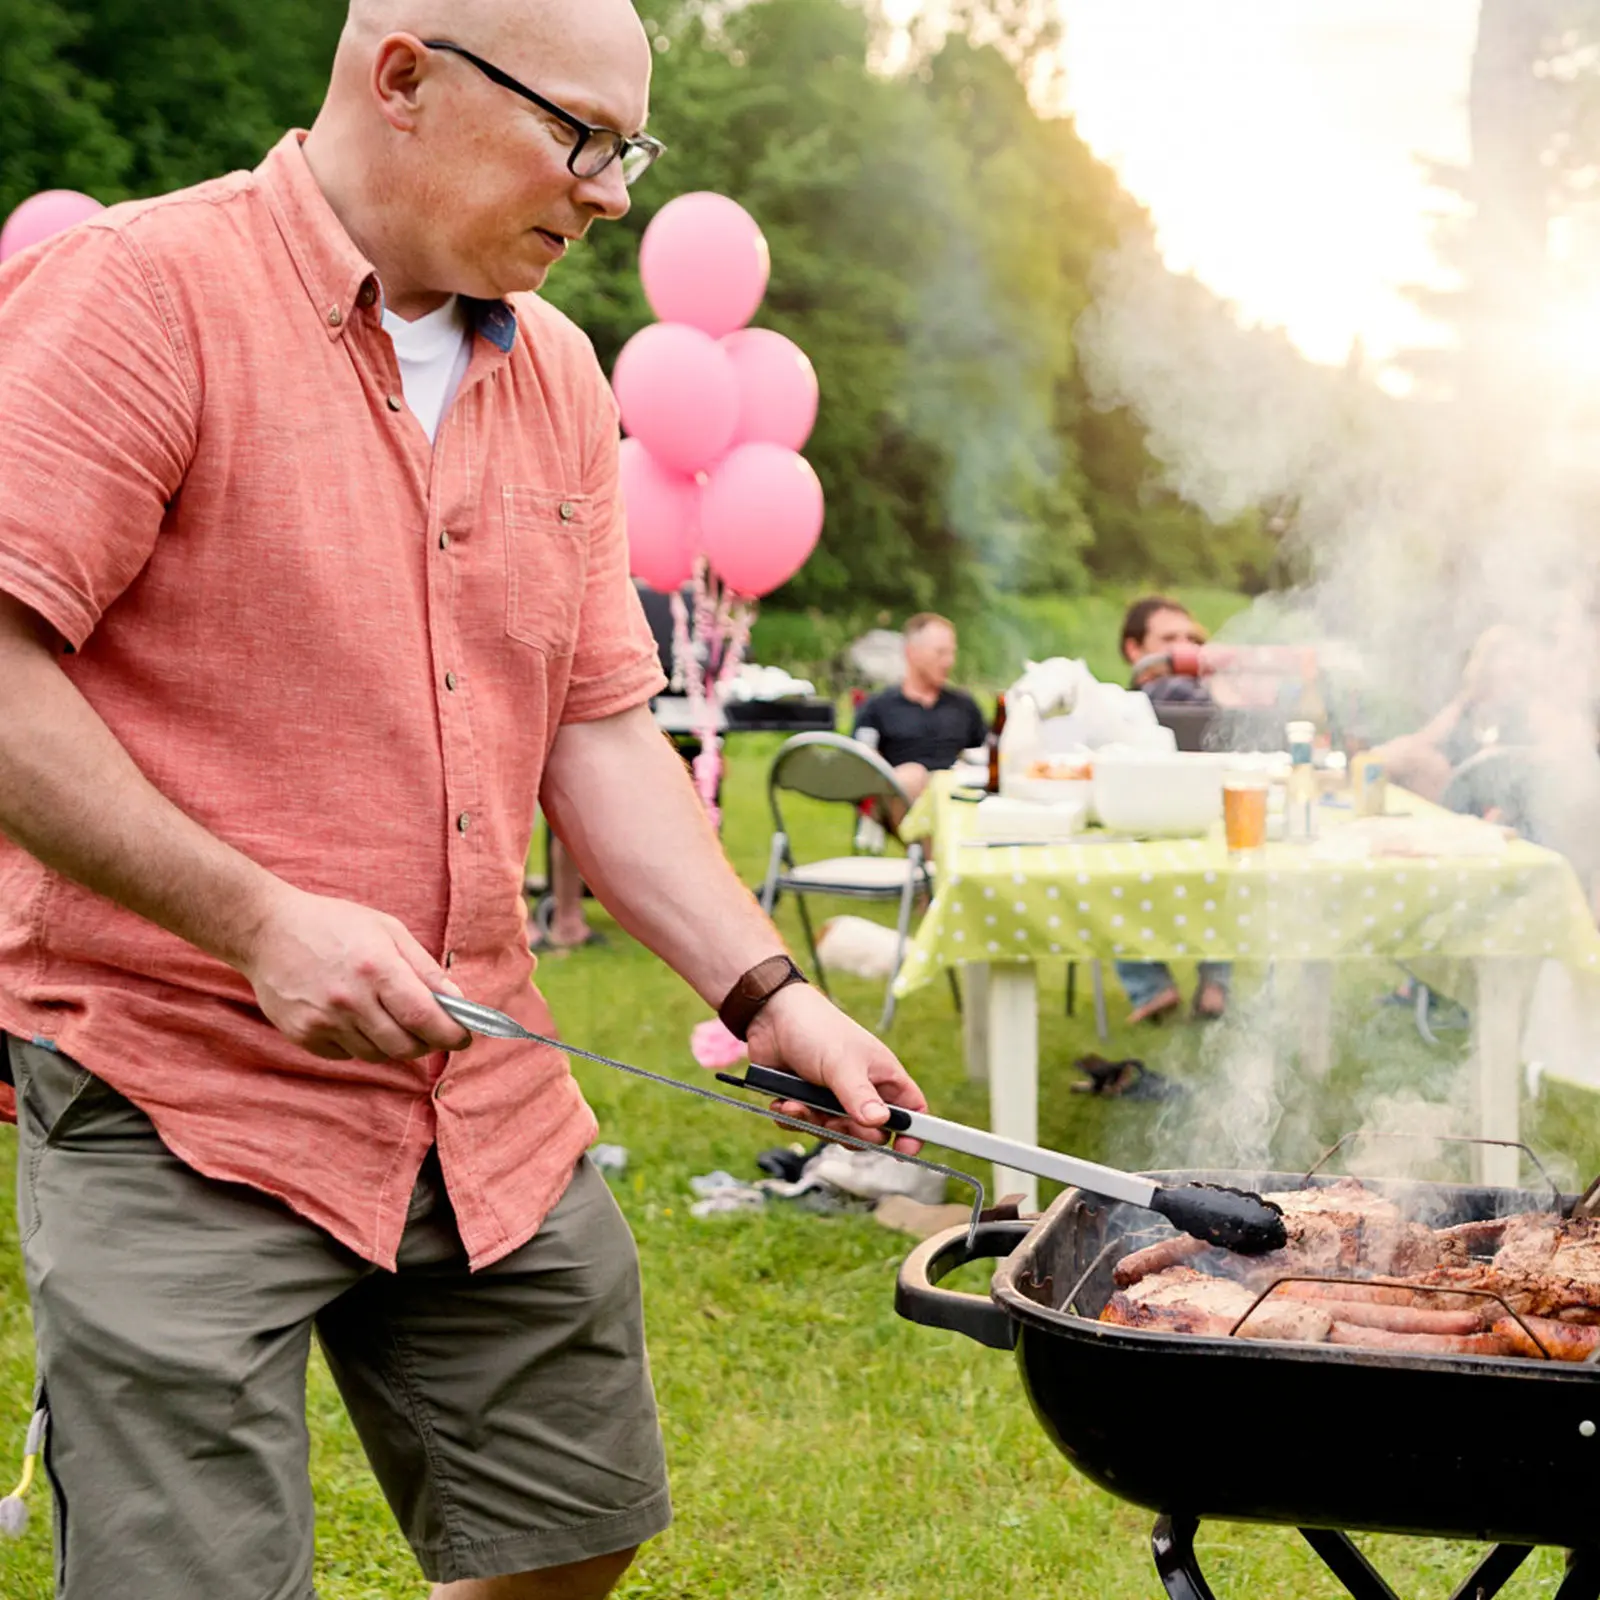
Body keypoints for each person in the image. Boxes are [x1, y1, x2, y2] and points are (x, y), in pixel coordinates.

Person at [0, 5, 927, 1598]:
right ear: (405, 78)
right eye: (582, 135)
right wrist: (258, 920)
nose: (613, 191)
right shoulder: (143, 293)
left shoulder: (561, 369)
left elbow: (599, 735)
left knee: (578, 1525)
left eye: (630, 150)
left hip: (481, 1091)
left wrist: (767, 990)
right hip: (175, 1087)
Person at [1117, 595, 1232, 1023]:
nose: (1182, 649)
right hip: (1143, 831)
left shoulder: (1215, 694)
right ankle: (1162, 983)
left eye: (1190, 639)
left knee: (1228, 864)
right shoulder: (1123, 709)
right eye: (1169, 639)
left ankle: (1197, 983)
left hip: (1208, 828)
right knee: (1118, 869)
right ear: (1135, 650)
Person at [852, 614, 987, 813]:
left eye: (952, 653)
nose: (949, 661)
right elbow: (860, 766)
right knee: (911, 775)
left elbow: (986, 755)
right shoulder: (879, 706)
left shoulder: (964, 705)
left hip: (955, 795)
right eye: (940, 653)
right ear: (911, 653)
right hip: (900, 802)